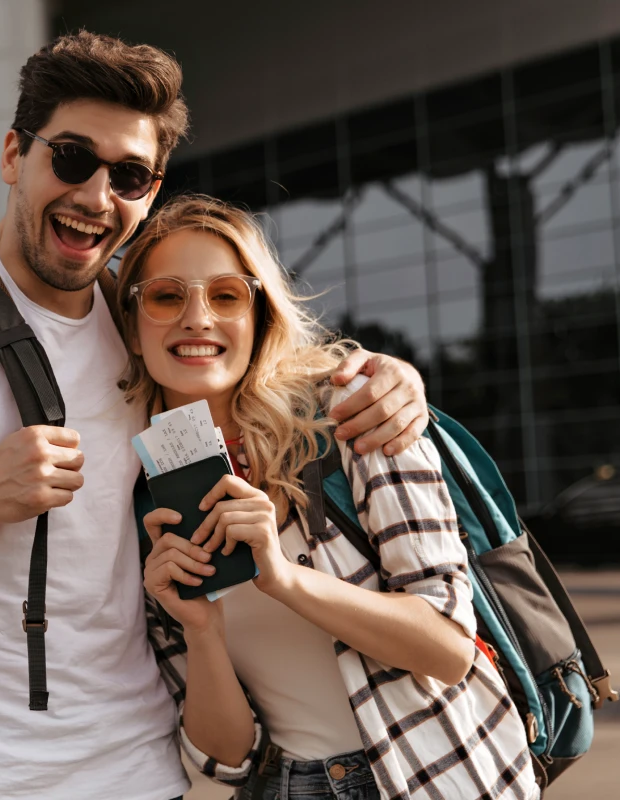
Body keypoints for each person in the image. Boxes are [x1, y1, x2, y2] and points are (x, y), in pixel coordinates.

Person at [0, 32, 430, 800]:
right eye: (71, 158)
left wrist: (387, 376)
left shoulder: (141, 321)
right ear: (13, 155)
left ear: (151, 192)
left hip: (137, 773)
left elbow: (263, 369)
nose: (98, 196)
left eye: (129, 175)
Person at [121, 195, 539, 800]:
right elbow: (227, 759)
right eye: (165, 296)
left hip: (433, 776)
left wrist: (283, 578)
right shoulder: (138, 494)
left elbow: (449, 648)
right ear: (133, 329)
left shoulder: (352, 417)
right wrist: (202, 630)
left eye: (226, 295)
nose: (197, 318)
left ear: (259, 315)